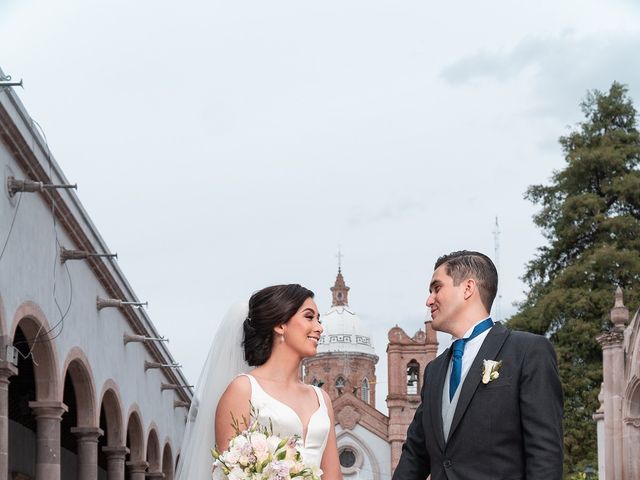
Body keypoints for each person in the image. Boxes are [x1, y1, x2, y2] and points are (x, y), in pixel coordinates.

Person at [393, 251, 563, 480]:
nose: (429, 300)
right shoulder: (433, 372)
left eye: (436, 288)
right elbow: (415, 456)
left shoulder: (526, 352)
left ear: (467, 288)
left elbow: (545, 455)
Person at [176, 284, 343, 480]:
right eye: (309, 317)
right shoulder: (244, 390)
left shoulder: (321, 398)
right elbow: (229, 472)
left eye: (318, 319)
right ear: (280, 325)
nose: (319, 328)